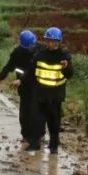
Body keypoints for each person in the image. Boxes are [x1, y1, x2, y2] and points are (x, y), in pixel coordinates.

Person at [27, 27, 73, 155]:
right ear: (46, 41)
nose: (51, 44)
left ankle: (54, 146)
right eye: (49, 41)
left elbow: (69, 75)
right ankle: (35, 144)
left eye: (54, 41)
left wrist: (66, 67)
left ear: (59, 42)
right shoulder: (40, 55)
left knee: (54, 122)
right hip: (40, 94)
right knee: (37, 120)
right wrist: (21, 81)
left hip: (56, 95)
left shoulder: (64, 56)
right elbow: (31, 72)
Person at [0, 30, 40, 143]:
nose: (31, 48)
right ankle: (25, 135)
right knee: (25, 111)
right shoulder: (17, 52)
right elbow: (9, 66)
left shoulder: (40, 50)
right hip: (24, 87)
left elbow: (35, 70)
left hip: (38, 84)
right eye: (28, 47)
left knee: (37, 110)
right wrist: (0, 79)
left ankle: (39, 135)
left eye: (32, 45)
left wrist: (21, 80)